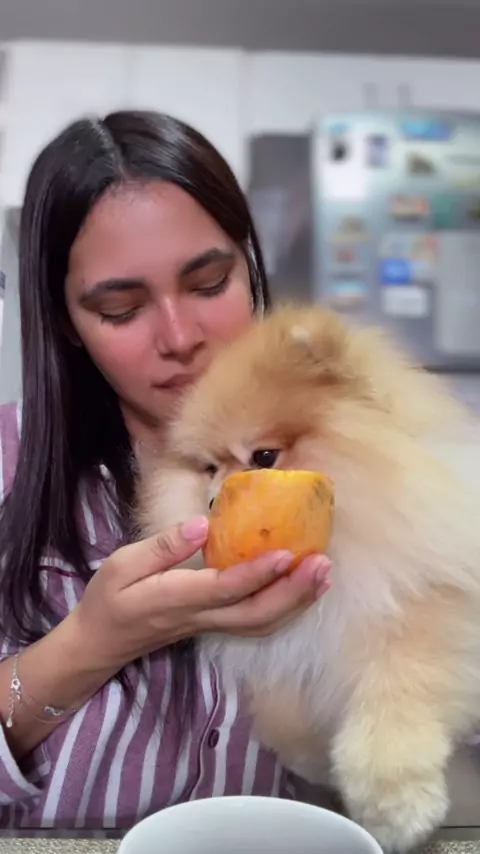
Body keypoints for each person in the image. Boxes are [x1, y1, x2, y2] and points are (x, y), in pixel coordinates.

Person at [0, 111, 331, 830]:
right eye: (121, 309)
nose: (180, 338)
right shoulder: (8, 463)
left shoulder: (329, 447)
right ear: (66, 323)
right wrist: (94, 642)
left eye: (210, 284)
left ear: (249, 267)